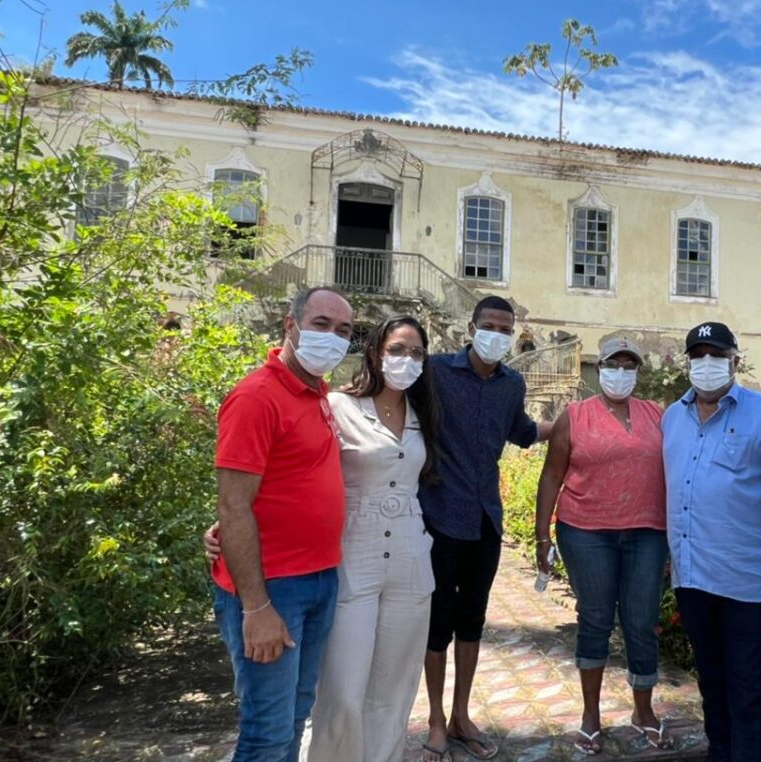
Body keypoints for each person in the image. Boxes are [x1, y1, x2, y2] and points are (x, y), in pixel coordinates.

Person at [207, 315, 444, 762]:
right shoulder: (337, 405)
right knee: (343, 688)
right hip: (353, 556)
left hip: (411, 560)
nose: (406, 360)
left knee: (395, 687)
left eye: (416, 352)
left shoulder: (425, 414)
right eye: (397, 349)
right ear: (375, 352)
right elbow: (291, 472)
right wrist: (228, 523)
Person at [210, 286, 354, 761]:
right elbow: (233, 506)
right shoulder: (256, 396)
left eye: (344, 331)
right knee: (266, 732)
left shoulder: (318, 394)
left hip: (319, 580)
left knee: (294, 717)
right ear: (290, 327)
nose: (332, 338)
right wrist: (256, 607)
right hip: (273, 590)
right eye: (321, 325)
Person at [420, 295, 552, 762]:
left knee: (472, 620)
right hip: (438, 517)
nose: (498, 333)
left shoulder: (511, 383)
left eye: (505, 327)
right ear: (471, 328)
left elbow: (519, 431)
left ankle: (461, 714)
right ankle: (435, 718)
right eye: (490, 324)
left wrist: (563, 425)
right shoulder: (434, 371)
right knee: (438, 623)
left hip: (485, 521)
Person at [533, 338, 671, 755]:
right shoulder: (574, 417)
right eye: (614, 364)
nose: (621, 372)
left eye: (630, 366)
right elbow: (550, 477)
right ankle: (590, 715)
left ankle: (643, 711)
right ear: (599, 367)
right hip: (587, 532)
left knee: (641, 620)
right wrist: (542, 535)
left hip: (646, 533)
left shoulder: (657, 415)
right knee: (594, 618)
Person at [661, 321, 761, 762]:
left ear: (734, 360)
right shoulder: (673, 417)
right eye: (698, 356)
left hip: (748, 583)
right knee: (712, 683)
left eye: (717, 355)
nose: (707, 364)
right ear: (688, 363)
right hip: (693, 580)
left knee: (752, 689)